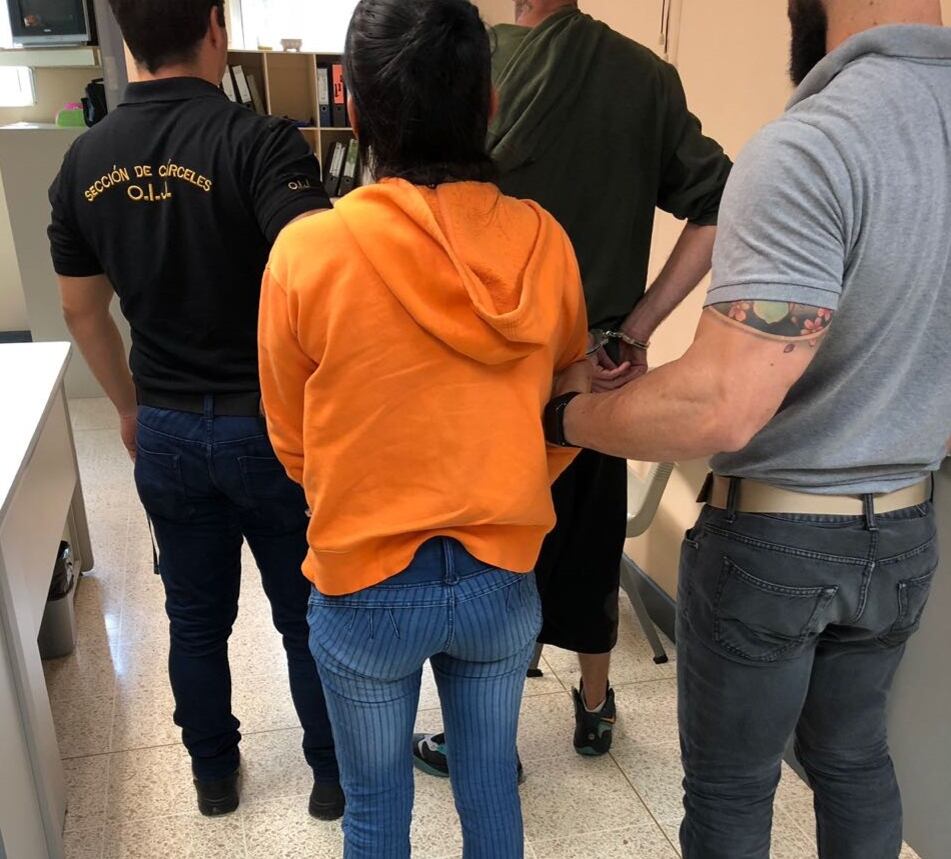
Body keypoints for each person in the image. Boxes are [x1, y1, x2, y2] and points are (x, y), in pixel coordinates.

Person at [547, 0, 951, 856]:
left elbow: (719, 404)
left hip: (776, 540)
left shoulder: (817, 142)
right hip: (907, 527)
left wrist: (566, 415)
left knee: (732, 791)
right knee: (853, 759)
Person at [257, 1, 588, 855]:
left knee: (375, 812)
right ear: (489, 102)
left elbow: (291, 437)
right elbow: (567, 410)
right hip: (499, 573)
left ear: (353, 104)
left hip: (364, 577)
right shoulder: (545, 243)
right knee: (490, 788)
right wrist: (509, 480)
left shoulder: (307, 252)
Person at [413, 0, 732, 776]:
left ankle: (482, 730)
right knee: (589, 547)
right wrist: (639, 324)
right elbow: (723, 202)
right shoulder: (643, 78)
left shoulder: (474, 62)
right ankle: (594, 704)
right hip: (594, 375)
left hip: (483, 377)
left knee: (489, 556)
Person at [48, 0, 342, 820]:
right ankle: (330, 776)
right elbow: (320, 277)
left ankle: (213, 775)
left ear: (125, 35)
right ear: (216, 25)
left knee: (194, 618)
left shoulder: (83, 160)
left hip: (167, 425)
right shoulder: (262, 142)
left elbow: (80, 309)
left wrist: (128, 406)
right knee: (304, 614)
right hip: (270, 425)